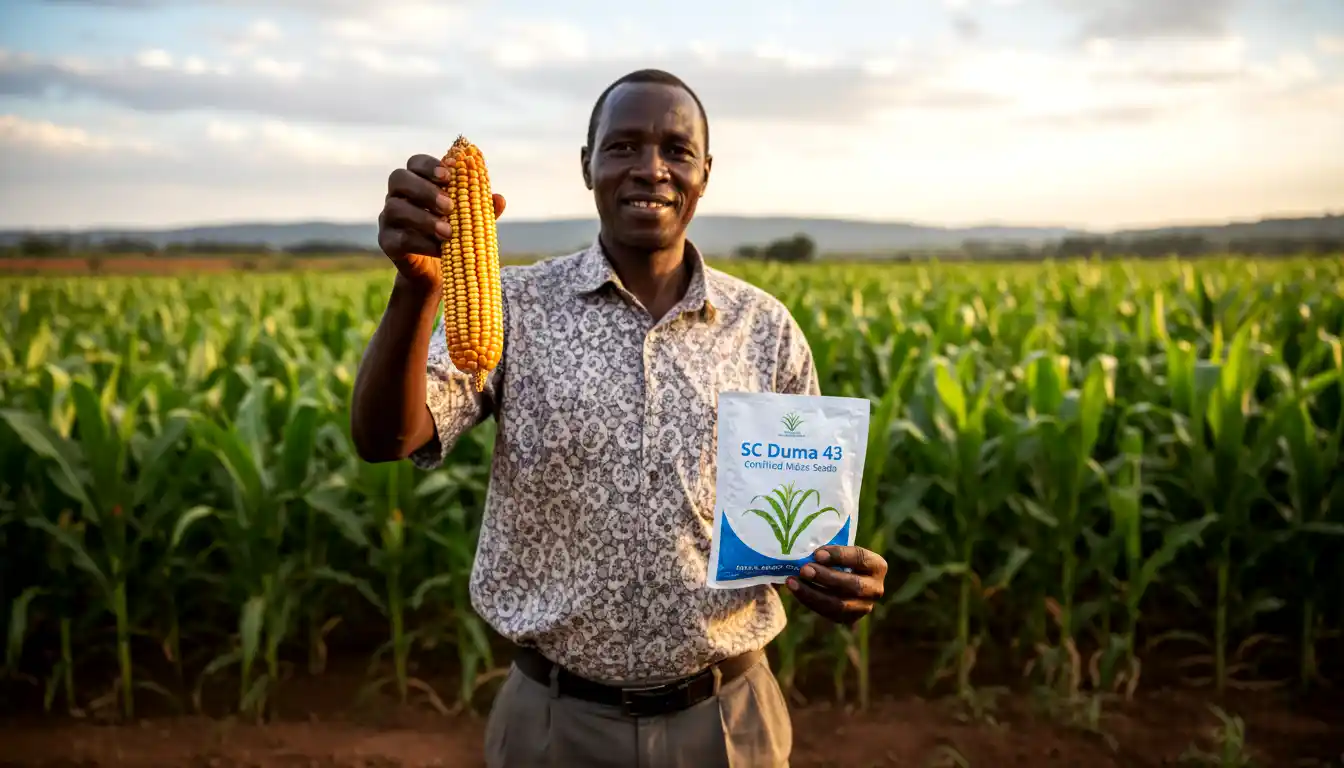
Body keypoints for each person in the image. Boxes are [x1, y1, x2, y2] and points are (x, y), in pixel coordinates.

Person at [350, 68, 888, 768]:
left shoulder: (766, 329)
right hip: (554, 723)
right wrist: (416, 289)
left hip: (726, 719)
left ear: (705, 171)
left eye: (676, 150)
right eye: (624, 146)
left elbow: (802, 524)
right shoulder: (517, 306)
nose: (651, 170)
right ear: (587, 165)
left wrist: (838, 577)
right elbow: (389, 436)